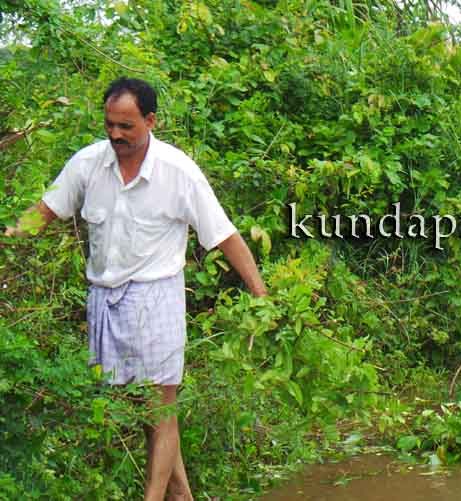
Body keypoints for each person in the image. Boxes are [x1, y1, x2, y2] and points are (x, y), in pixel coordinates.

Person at [3, 77, 268, 500]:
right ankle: (181, 495)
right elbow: (45, 212)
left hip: (156, 296)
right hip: (104, 299)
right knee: (144, 409)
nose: (115, 134)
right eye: (109, 124)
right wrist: (9, 233)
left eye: (126, 126)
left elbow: (224, 235)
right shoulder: (88, 163)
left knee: (160, 405)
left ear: (150, 121)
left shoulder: (178, 171)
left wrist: (260, 294)